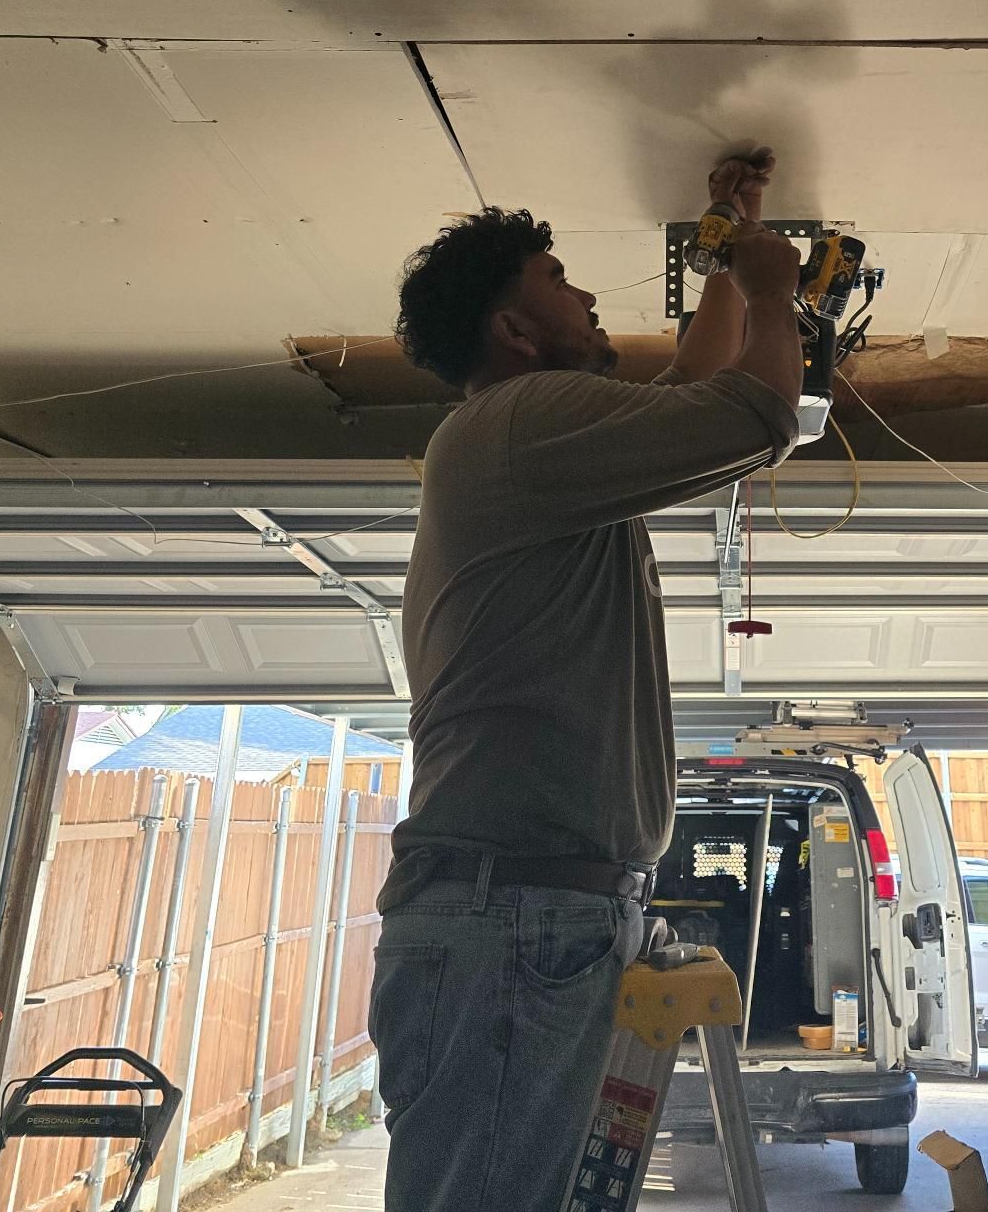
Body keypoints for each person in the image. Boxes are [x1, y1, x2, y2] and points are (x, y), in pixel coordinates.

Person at [368, 149, 802, 1210]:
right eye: (560, 280)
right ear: (515, 331)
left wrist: (726, 264)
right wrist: (775, 290)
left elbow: (693, 394)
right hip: (515, 919)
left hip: (523, 916)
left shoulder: (535, 449)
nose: (591, 296)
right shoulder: (522, 426)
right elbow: (756, 414)